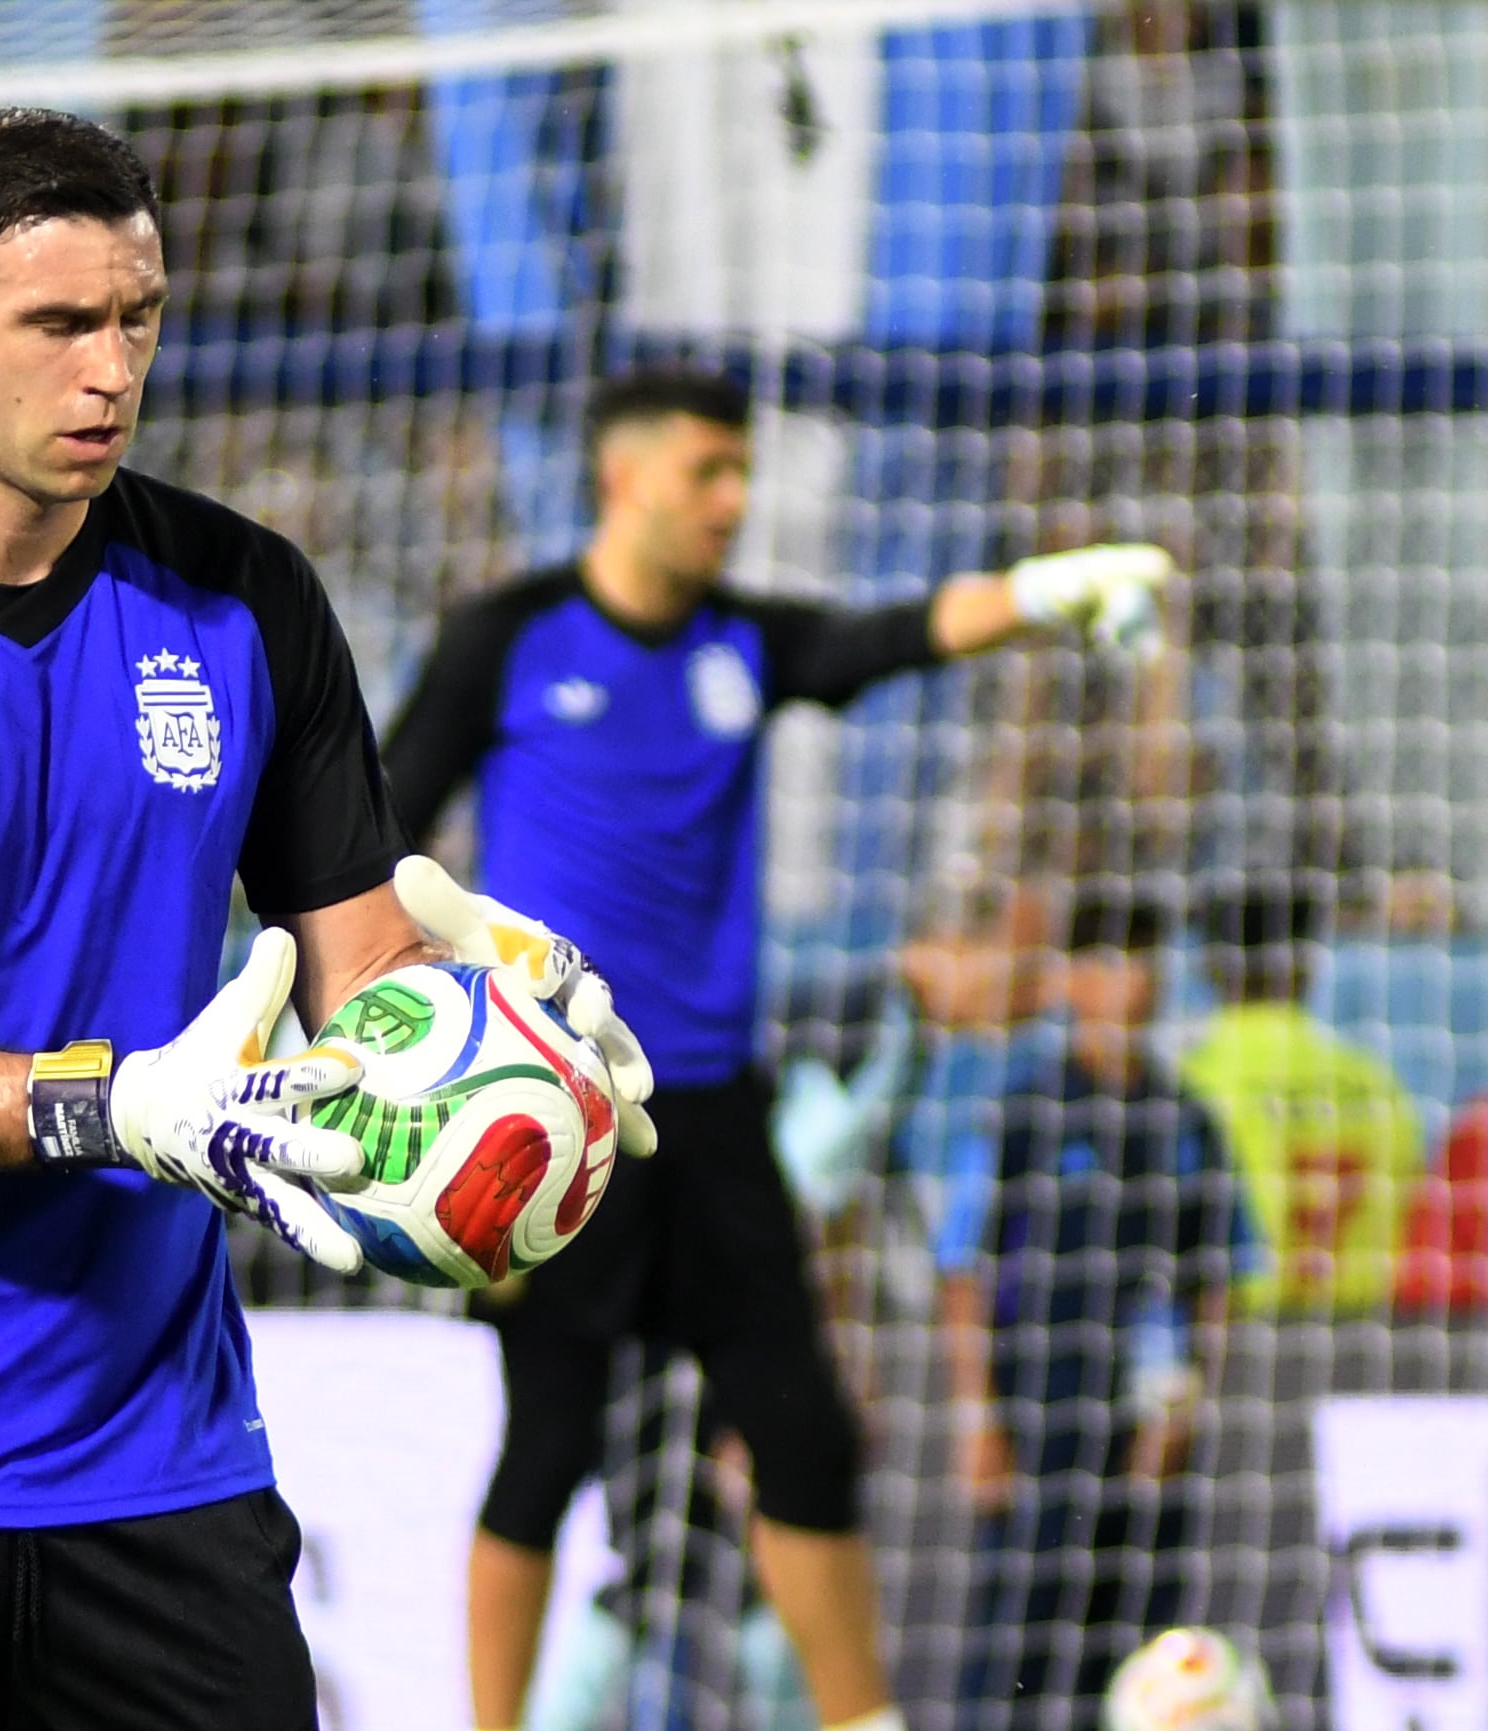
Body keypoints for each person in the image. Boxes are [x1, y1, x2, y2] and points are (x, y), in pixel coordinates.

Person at [0, 106, 652, 1731]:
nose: (111, 371)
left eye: (139, 318)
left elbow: (364, 981)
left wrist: (503, 1045)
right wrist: (110, 1106)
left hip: (156, 1467)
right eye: (60, 324)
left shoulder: (248, 598)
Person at [381, 365, 1177, 1731]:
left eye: (740, 472)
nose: (732, 500)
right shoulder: (506, 637)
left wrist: (1043, 592)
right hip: (553, 1115)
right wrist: (430, 1047)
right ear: (624, 477)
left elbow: (892, 636)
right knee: (549, 1445)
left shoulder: (742, 644)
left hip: (711, 1112)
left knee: (804, 1431)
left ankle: (862, 1717)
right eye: (708, 471)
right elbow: (380, 828)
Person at [935, 887, 1251, 1729]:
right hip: (1038, 1413)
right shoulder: (1021, 1116)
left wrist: (1187, 1400)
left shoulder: (1187, 1120)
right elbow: (961, 1268)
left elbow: (1216, 1275)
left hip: (1146, 1423)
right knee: (1016, 1647)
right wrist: (977, 1415)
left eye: (1146, 959)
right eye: (1110, 961)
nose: (1134, 980)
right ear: (1069, 980)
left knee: (1141, 1647)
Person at [1178, 884, 1422, 1318]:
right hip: (1366, 1326)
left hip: (1246, 1325)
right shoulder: (1374, 1082)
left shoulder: (1195, 1081)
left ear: (1212, 966)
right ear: (1306, 965)